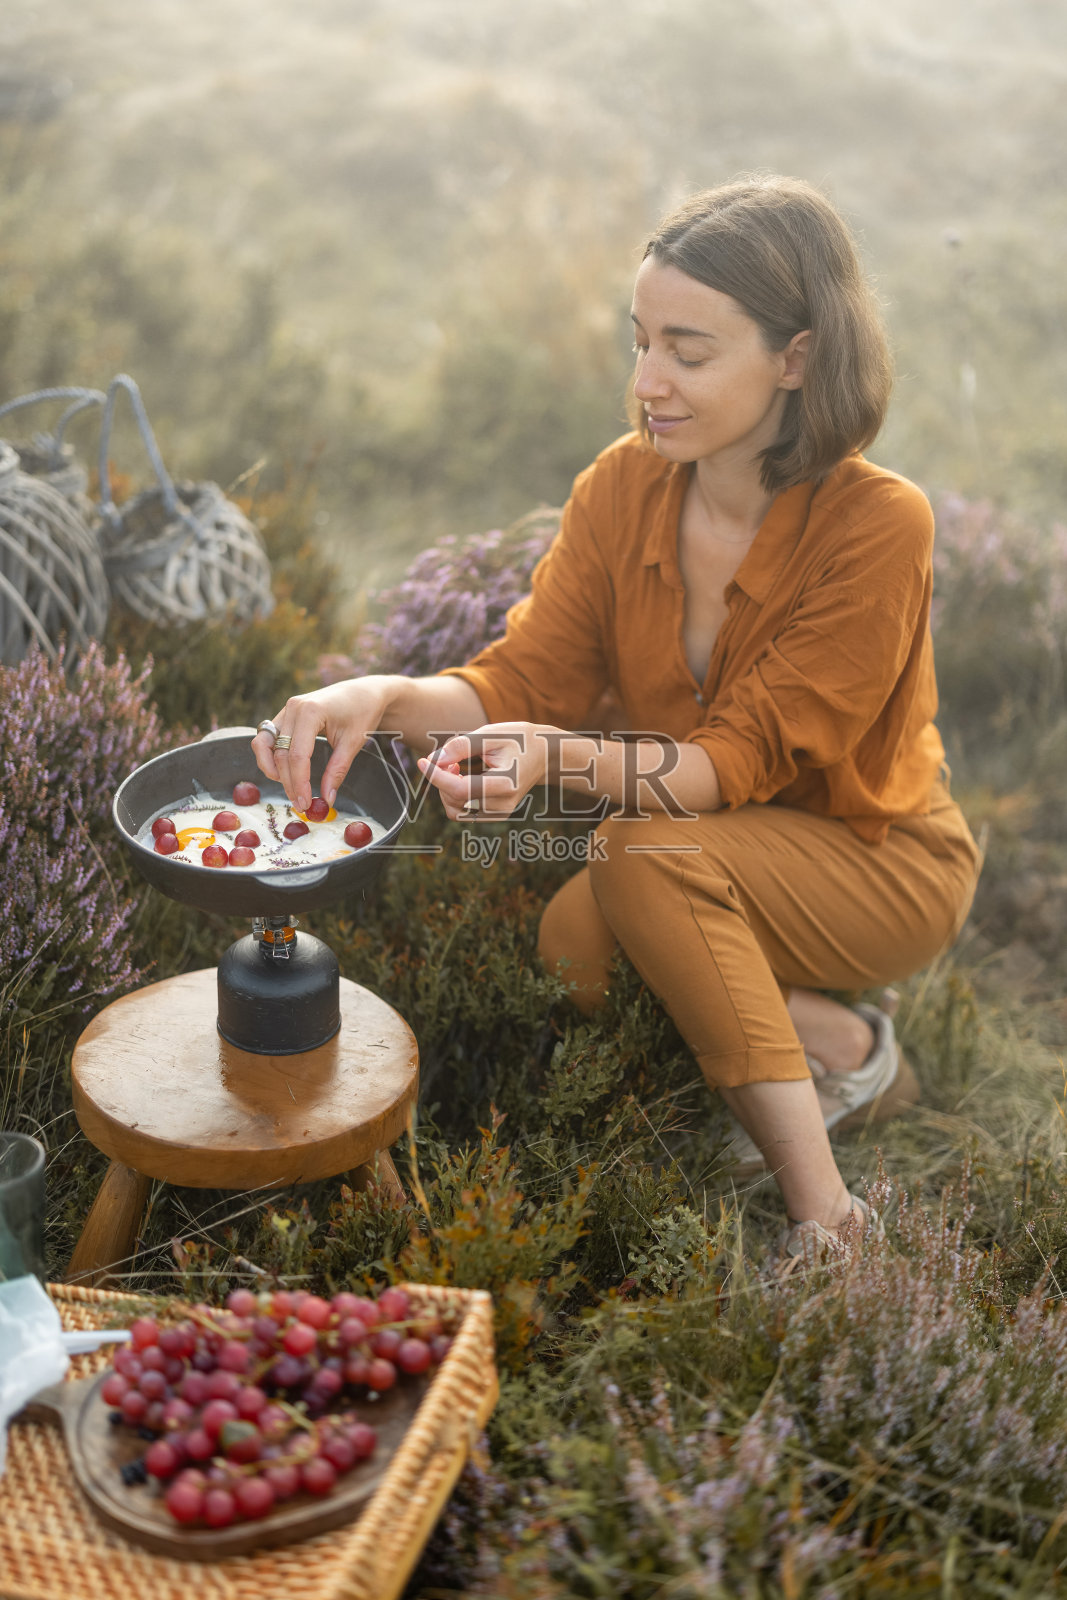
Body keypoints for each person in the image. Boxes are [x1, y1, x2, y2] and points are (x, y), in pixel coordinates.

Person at [252, 175, 980, 1267]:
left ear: (795, 357)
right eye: (638, 343)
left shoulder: (879, 523)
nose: (646, 383)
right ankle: (845, 1047)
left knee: (642, 847)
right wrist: (386, 697)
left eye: (688, 353)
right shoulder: (621, 486)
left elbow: (722, 767)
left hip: (876, 861)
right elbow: (520, 681)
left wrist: (553, 760)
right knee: (573, 947)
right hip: (703, 844)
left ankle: (828, 1224)